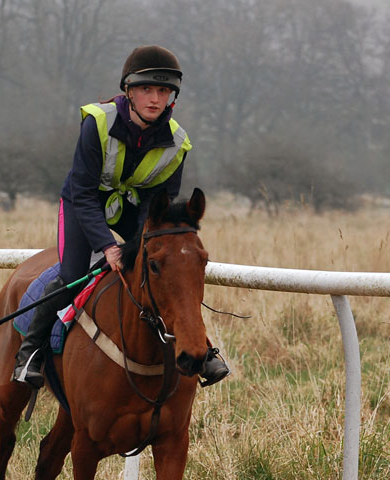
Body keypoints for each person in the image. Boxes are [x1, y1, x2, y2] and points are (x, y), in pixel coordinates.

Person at [13, 45, 230, 389]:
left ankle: (201, 350)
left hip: (135, 209)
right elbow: (83, 193)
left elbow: (158, 206)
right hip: (83, 203)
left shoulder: (178, 143)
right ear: (129, 90)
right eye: (146, 89)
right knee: (73, 273)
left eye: (163, 91)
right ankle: (31, 353)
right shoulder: (97, 123)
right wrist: (107, 246)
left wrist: (140, 245)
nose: (154, 99)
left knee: (166, 267)